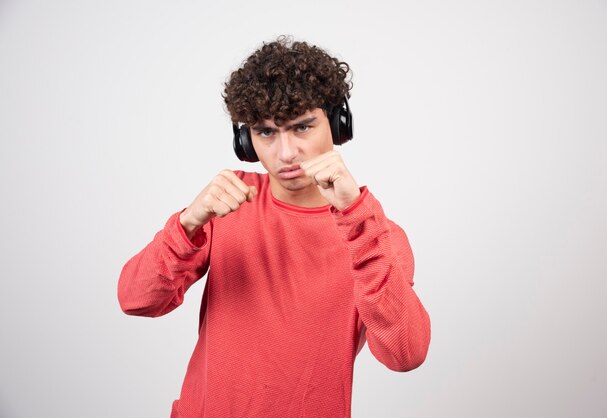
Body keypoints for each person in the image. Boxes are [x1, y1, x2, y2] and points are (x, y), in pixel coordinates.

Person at [118, 36, 431, 418]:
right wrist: (188, 223)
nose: (285, 154)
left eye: (302, 127)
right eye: (265, 132)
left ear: (337, 123)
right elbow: (135, 300)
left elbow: (405, 354)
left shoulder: (375, 234)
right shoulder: (228, 203)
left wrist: (355, 217)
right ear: (244, 140)